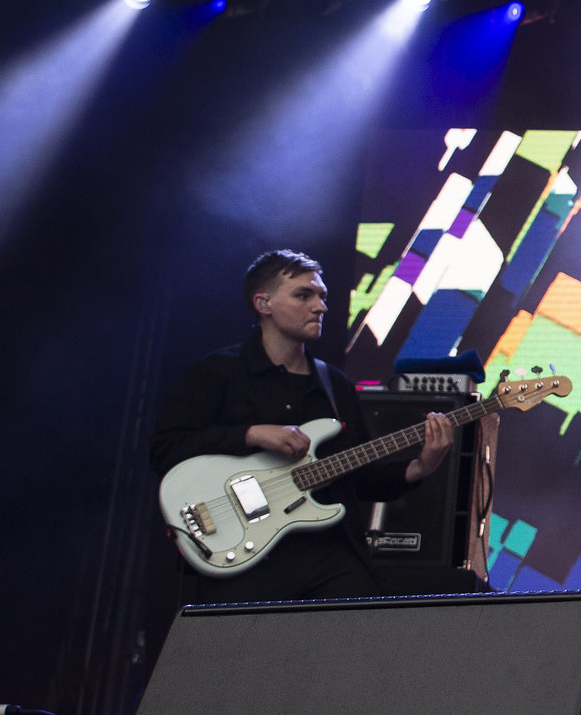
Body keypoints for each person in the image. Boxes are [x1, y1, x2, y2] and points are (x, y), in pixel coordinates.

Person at [150, 249, 454, 604]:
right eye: (303, 295)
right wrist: (252, 433)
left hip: (329, 556)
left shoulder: (335, 385)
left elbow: (357, 476)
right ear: (263, 303)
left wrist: (422, 466)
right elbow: (165, 449)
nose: (320, 306)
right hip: (244, 558)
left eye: (322, 296)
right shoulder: (216, 373)